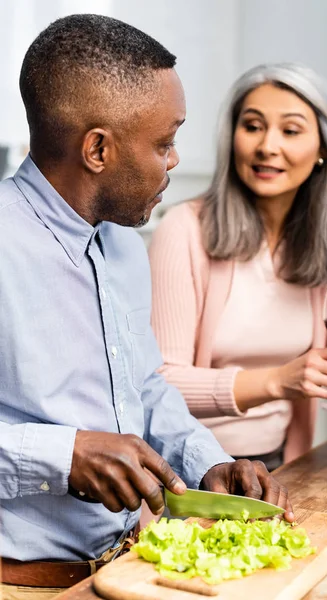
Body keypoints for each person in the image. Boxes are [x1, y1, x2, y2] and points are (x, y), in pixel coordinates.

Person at [0, 17, 293, 600]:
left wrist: (208, 461)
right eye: (164, 142)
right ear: (98, 149)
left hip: (128, 571)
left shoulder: (123, 247)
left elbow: (144, 386)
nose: (175, 160)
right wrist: (65, 454)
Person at [149, 62, 327, 470]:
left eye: (290, 130)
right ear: (232, 138)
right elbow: (161, 381)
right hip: (191, 468)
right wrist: (278, 380)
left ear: (324, 146)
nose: (267, 146)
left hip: (278, 465)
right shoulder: (184, 231)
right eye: (252, 126)